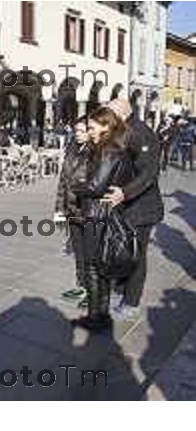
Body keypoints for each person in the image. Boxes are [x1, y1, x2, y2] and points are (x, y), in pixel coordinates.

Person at [71, 107, 133, 332]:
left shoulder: (108, 151)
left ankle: (95, 318)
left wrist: (77, 186)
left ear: (106, 126)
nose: (89, 131)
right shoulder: (115, 148)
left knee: (92, 267)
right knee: (100, 266)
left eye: (91, 127)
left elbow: (96, 186)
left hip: (97, 215)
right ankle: (100, 316)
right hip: (105, 213)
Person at [104, 97, 164, 320]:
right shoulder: (121, 131)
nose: (106, 116)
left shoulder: (141, 132)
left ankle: (131, 302)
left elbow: (149, 172)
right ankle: (120, 289)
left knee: (137, 254)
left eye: (109, 112)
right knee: (122, 250)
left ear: (121, 112)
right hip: (124, 207)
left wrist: (124, 192)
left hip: (142, 207)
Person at [54, 116, 90, 305]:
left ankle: (92, 293)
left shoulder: (96, 152)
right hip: (72, 210)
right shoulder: (72, 150)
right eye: (76, 131)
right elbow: (62, 182)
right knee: (78, 252)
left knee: (90, 254)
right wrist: (59, 210)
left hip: (87, 211)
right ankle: (81, 286)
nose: (78, 134)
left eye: (82, 131)